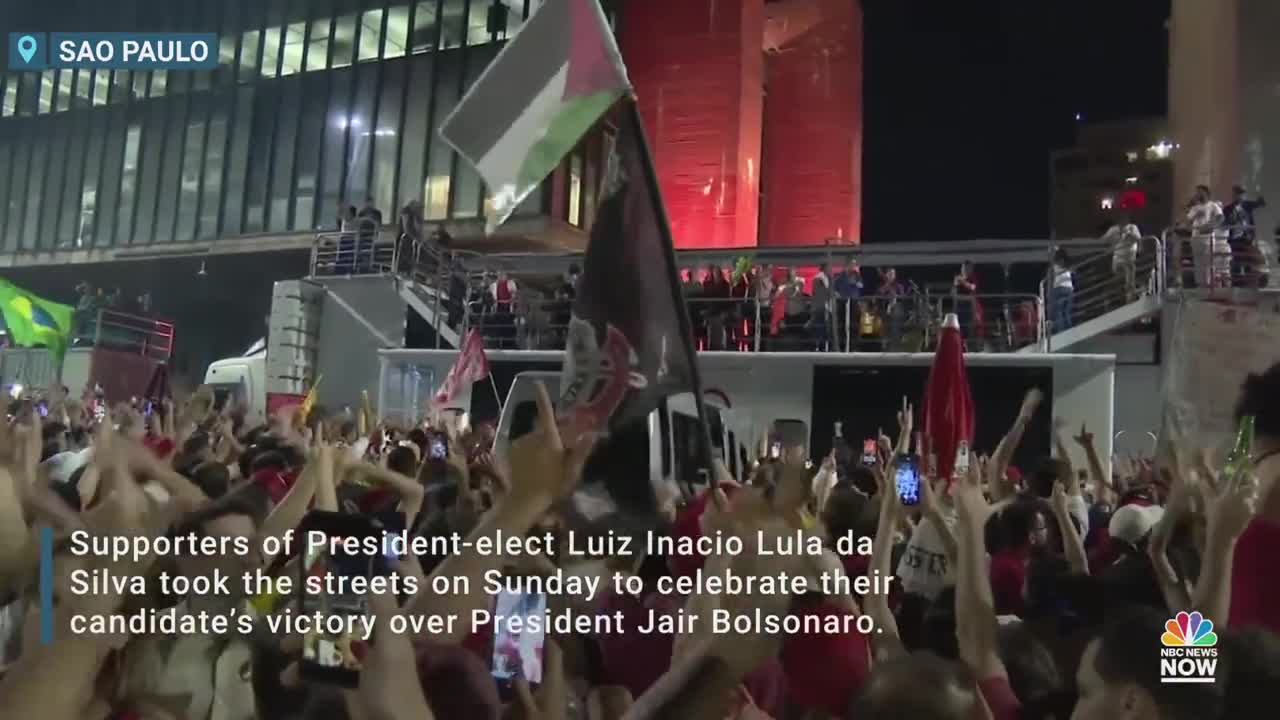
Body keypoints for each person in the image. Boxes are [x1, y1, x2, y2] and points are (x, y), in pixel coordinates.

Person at [1184, 184, 1228, 288]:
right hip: (1196, 237)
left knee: (1208, 262)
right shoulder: (1195, 208)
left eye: (1200, 191)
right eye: (1196, 192)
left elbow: (1220, 218)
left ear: (1206, 193)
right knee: (1198, 262)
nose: (1198, 194)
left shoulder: (1213, 205)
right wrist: (1194, 215)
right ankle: (1200, 284)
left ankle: (1209, 284)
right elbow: (1187, 221)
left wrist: (1210, 226)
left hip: (1208, 238)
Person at [1224, 185, 1267, 287]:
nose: (1240, 195)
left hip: (1247, 237)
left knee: (1249, 260)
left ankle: (1249, 283)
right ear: (1233, 194)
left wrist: (1259, 193)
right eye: (1238, 193)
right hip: (1235, 238)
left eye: (1242, 193)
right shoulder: (1228, 209)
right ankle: (1236, 283)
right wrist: (1231, 220)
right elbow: (1225, 223)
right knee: (1237, 260)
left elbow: (1261, 203)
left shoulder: (1247, 205)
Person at [1103, 216, 1143, 303]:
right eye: (1121, 221)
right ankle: (1118, 299)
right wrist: (1112, 239)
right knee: (1118, 280)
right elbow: (1104, 239)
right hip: (1117, 258)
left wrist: (1130, 234)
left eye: (1124, 221)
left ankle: (1129, 301)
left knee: (1129, 282)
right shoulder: (1114, 229)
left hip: (1129, 259)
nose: (1122, 223)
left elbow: (1139, 239)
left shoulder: (1132, 227)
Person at [833, 258, 864, 351]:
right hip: (842, 302)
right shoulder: (840, 276)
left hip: (853, 302)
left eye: (854, 264)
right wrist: (837, 295)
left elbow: (861, 285)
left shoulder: (856, 275)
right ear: (847, 264)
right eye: (852, 264)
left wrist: (855, 283)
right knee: (842, 325)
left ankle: (853, 347)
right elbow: (834, 289)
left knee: (853, 325)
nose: (853, 266)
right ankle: (842, 347)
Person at [1050, 248, 1073, 332]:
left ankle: (1061, 332)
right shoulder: (1067, 264)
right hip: (1069, 288)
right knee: (1067, 312)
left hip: (1059, 287)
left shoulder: (1055, 263)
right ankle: (1069, 331)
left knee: (1058, 312)